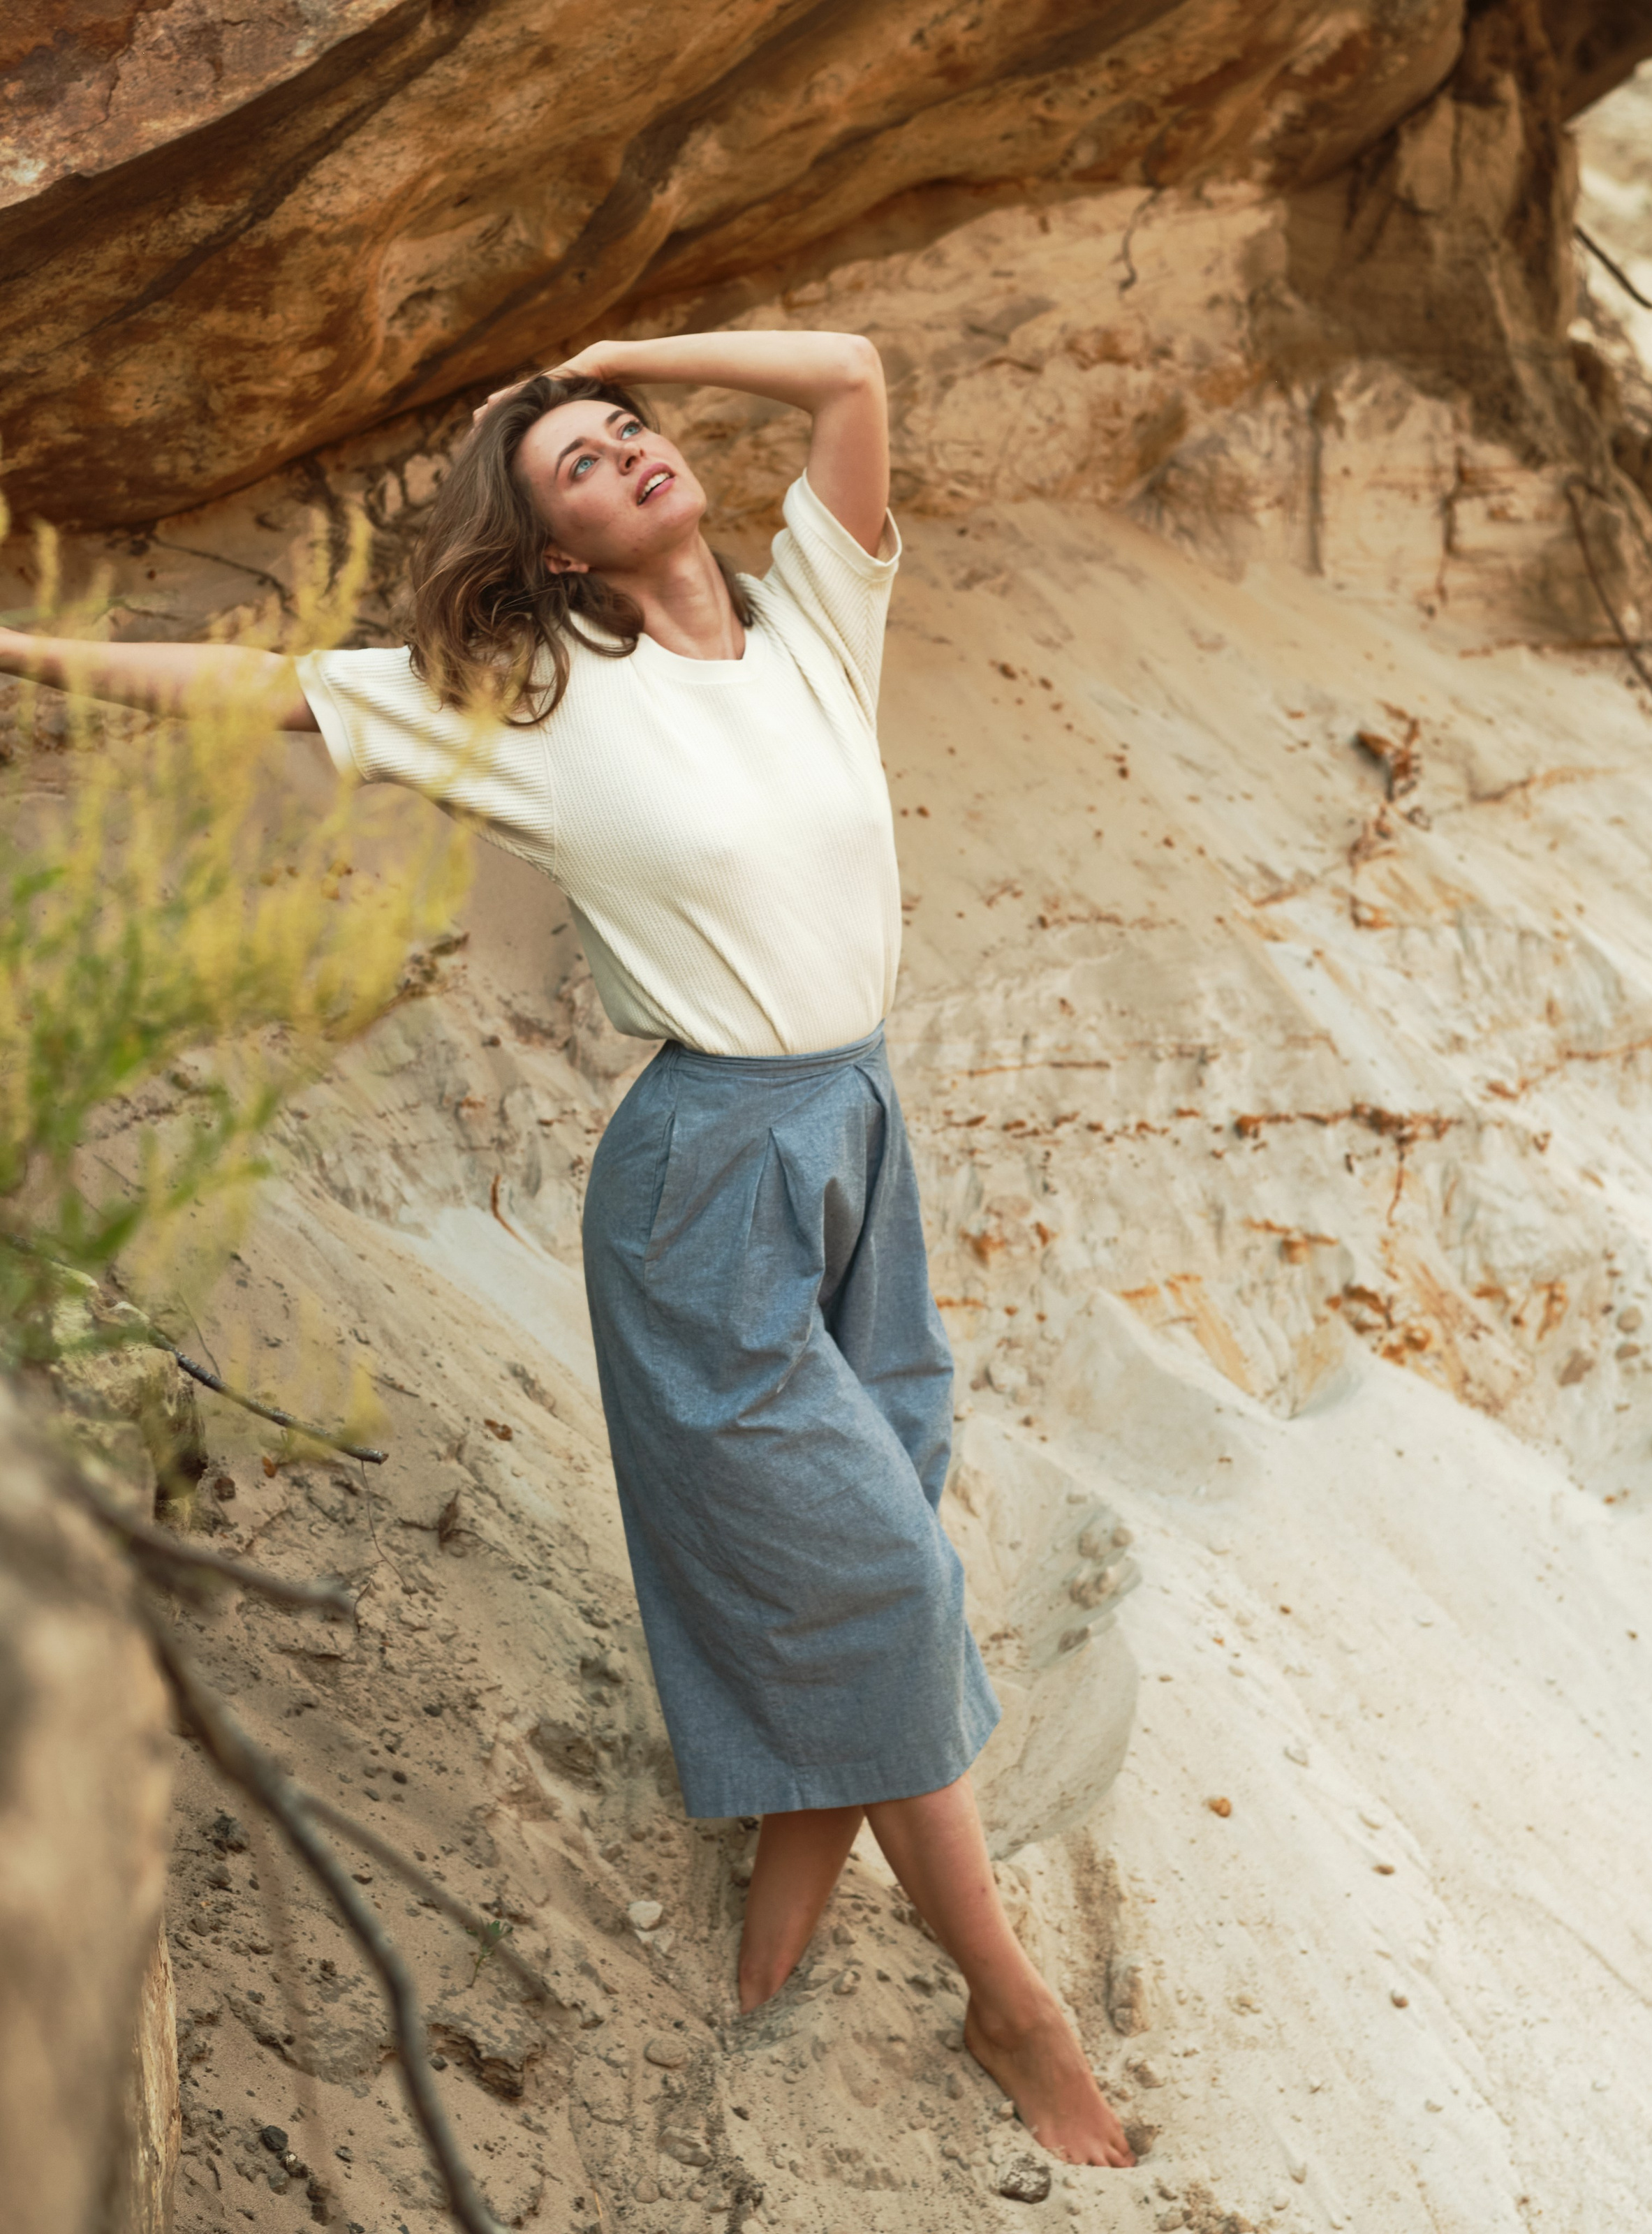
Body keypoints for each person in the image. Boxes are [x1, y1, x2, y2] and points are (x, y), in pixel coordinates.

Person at [0, 329, 1135, 2168]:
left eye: (631, 437)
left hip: (860, 1130)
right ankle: (1013, 2006)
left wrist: (615, 351)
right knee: (885, 1584)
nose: (628, 459)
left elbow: (850, 373)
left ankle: (783, 1912)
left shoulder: (813, 622)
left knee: (885, 1511)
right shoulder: (526, 699)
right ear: (551, 561)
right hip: (706, 1183)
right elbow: (255, 686)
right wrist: (17, 642)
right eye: (582, 473)